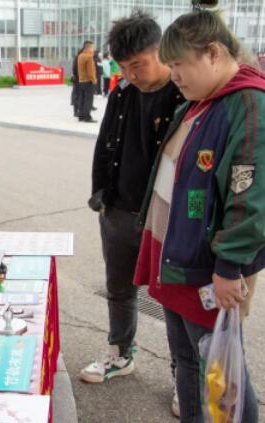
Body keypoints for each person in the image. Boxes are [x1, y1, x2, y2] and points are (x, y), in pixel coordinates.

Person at [134, 8, 263, 423]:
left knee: (221, 370)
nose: (173, 76)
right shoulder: (202, 102)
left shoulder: (248, 104)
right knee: (188, 360)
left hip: (207, 267)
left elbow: (250, 197)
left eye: (179, 64)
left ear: (213, 53)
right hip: (177, 257)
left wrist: (229, 265)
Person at [83, 11, 185, 399]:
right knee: (119, 289)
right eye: (123, 67)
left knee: (172, 299)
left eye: (137, 65)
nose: (130, 74)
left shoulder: (182, 95)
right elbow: (104, 144)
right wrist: (100, 195)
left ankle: (183, 375)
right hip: (118, 210)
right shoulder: (122, 94)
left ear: (160, 51)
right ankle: (121, 353)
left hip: (165, 218)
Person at [77, 41, 97, 122]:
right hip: (88, 81)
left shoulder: (80, 56)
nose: (93, 49)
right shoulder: (89, 57)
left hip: (81, 81)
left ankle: (81, 116)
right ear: (88, 48)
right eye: (92, 48)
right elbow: (90, 72)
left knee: (82, 99)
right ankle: (87, 117)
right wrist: (94, 80)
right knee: (88, 100)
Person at [71, 47, 84, 117]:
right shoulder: (78, 59)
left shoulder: (77, 58)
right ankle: (76, 111)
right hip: (78, 79)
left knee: (77, 94)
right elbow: (75, 69)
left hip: (77, 78)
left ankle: (76, 110)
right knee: (77, 95)